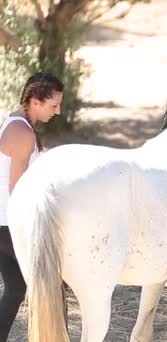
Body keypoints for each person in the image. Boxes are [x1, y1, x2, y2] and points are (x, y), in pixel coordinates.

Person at [0, 72, 63, 341]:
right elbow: (17, 188)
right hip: (7, 224)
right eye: (54, 105)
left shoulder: (17, 122)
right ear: (35, 101)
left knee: (16, 287)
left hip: (4, 221)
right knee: (52, 284)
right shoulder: (23, 132)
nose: (58, 111)